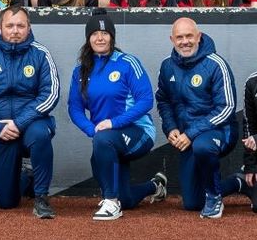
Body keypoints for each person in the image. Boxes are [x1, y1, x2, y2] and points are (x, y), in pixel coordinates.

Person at [0, 7, 60, 218]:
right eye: (10, 26)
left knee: (40, 134)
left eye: (20, 26)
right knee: (6, 203)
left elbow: (50, 94)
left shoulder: (41, 54)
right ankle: (25, 175)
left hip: (31, 125)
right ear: (0, 27)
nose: (15, 31)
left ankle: (41, 197)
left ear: (29, 27)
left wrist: (19, 123)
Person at [68, 12, 167, 220]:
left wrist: (113, 123)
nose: (100, 38)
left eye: (105, 33)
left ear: (112, 36)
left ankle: (111, 203)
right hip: (105, 138)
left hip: (139, 132)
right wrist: (91, 129)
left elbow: (146, 100)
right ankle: (155, 186)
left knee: (103, 142)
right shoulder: (80, 72)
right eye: (95, 33)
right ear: (88, 38)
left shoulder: (128, 63)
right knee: (127, 199)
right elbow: (75, 108)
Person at [156, 18, 240, 218]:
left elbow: (227, 107)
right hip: (187, 137)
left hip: (219, 132)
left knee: (203, 146)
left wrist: (191, 133)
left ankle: (214, 197)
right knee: (192, 202)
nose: (185, 41)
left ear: (198, 36)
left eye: (189, 36)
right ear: (172, 39)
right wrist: (171, 127)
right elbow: (164, 100)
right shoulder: (167, 66)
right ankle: (239, 182)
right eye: (179, 37)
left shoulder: (216, 64)